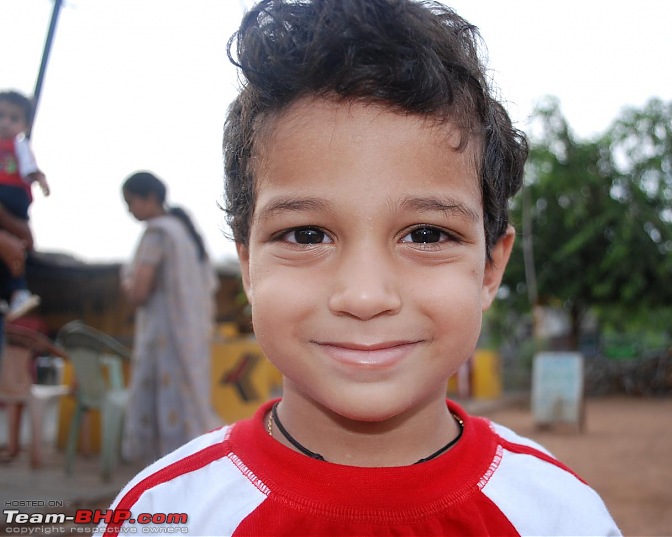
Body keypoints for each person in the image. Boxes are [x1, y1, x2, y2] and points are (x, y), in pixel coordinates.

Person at [101, 1, 620, 535]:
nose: (365, 296)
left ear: (491, 268)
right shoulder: (158, 516)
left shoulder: (561, 516)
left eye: (426, 234)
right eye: (306, 235)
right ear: (249, 265)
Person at [119, 171, 219, 465]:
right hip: (190, 336)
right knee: (188, 404)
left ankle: (161, 473)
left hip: (164, 337)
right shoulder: (184, 233)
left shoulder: (157, 233)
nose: (129, 210)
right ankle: (191, 465)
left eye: (130, 202)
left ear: (150, 198)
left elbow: (139, 291)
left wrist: (124, 280)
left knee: (161, 406)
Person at [0, 90, 49, 320]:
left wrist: (40, 179)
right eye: (1, 115)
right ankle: (18, 290)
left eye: (13, 118)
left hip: (12, 195)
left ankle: (18, 290)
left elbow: (31, 168)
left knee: (15, 247)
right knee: (13, 248)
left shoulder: (19, 146)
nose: (5, 122)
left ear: (25, 126)